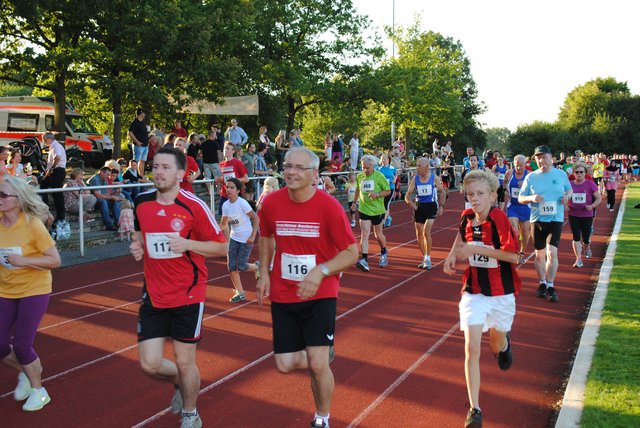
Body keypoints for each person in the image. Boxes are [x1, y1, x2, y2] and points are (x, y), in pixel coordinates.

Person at [256, 147, 358, 428]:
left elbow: (351, 252)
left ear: (314, 174)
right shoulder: (271, 203)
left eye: (299, 168)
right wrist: (263, 272)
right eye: (288, 166)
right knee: (285, 364)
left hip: (320, 292)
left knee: (317, 364)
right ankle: (322, 352)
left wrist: (320, 271)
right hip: (284, 291)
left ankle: (322, 418)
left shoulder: (329, 207)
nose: (291, 172)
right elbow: (266, 237)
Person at [129, 147, 227, 428]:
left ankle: (190, 413)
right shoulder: (141, 201)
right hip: (153, 293)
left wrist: (188, 244)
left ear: (181, 173)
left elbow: (222, 248)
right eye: (155, 167)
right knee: (150, 364)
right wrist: (137, 245)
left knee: (185, 362)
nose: (158, 172)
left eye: (166, 167)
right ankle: (178, 382)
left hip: (188, 293)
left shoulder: (193, 206)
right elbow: (139, 232)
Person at [443, 169, 521, 428]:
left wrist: (477, 249)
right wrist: (451, 256)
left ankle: (504, 345)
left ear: (492, 195)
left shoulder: (499, 220)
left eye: (479, 193)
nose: (474, 199)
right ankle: (474, 409)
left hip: (501, 293)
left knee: (495, 344)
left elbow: (514, 257)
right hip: (473, 291)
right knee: (471, 348)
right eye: (470, 194)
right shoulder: (466, 217)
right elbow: (460, 235)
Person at [0, 174, 61, 412]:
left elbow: (55, 260)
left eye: (3, 195)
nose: (0, 198)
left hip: (34, 289)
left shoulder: (32, 225)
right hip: (6, 289)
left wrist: (23, 260)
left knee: (23, 345)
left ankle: (39, 391)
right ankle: (26, 371)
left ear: (18, 199)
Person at [518, 145, 572, 303]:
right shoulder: (531, 177)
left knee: (552, 253)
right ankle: (542, 282)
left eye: (544, 157)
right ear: (535, 160)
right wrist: (531, 198)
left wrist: (567, 197)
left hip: (555, 219)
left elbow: (569, 190)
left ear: (551, 158)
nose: (542, 160)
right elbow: (521, 198)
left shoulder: (561, 174)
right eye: (538, 158)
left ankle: (550, 285)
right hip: (537, 220)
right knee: (539, 255)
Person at [220, 178, 259, 303]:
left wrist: (253, 236)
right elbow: (224, 224)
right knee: (231, 266)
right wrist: (211, 230)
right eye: (227, 187)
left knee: (241, 266)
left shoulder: (242, 203)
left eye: (232, 187)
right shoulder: (225, 205)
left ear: (238, 190)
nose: (229, 189)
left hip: (246, 237)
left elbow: (256, 218)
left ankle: (258, 266)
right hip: (234, 237)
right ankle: (240, 293)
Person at [404, 157, 446, 270]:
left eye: (419, 165)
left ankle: (428, 258)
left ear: (426, 167)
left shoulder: (434, 178)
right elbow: (407, 195)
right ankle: (424, 257)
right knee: (419, 234)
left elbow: (442, 192)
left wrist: (441, 206)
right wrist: (410, 203)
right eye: (416, 165)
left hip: (431, 206)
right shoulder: (415, 179)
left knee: (426, 232)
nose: (416, 167)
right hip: (419, 207)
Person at [351, 154, 391, 272]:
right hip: (364, 209)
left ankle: (383, 251)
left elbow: (388, 191)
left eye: (367, 168)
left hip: (377, 210)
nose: (365, 170)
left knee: (378, 235)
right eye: (363, 167)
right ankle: (364, 260)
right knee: (364, 234)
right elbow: (358, 189)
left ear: (373, 166)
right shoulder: (360, 176)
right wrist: (354, 202)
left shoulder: (379, 176)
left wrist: (377, 195)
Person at [568, 162, 601, 267]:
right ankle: (578, 259)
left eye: (581, 172)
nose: (579, 174)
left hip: (586, 215)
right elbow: (564, 197)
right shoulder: (570, 185)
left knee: (585, 237)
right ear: (573, 173)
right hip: (573, 214)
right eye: (577, 172)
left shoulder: (590, 183)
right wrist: (566, 204)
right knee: (576, 237)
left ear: (585, 173)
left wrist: (592, 206)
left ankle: (587, 246)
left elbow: (598, 198)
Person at [503, 155, 531, 263]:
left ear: (525, 164)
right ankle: (514, 252)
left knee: (525, 232)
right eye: (516, 165)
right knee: (514, 230)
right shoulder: (509, 173)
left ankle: (522, 253)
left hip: (525, 207)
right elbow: (504, 183)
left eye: (521, 166)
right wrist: (506, 191)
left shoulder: (529, 175)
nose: (518, 168)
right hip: (513, 206)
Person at [40, 132, 67, 224]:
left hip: (57, 171)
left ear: (49, 139)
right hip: (54, 171)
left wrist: (52, 167)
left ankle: (61, 216)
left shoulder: (56, 146)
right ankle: (46, 208)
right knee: (43, 185)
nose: (44, 142)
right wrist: (46, 173)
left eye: (44, 140)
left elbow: (57, 158)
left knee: (57, 194)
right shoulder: (52, 146)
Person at [216, 142, 249, 215]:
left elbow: (246, 179)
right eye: (224, 148)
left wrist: (234, 180)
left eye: (228, 148)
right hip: (224, 195)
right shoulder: (221, 164)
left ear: (233, 151)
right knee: (223, 218)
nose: (225, 150)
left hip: (236, 195)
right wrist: (219, 180)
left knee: (236, 218)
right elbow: (219, 180)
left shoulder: (237, 162)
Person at [88, 166, 122, 231]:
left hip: (99, 199)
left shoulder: (104, 179)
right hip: (92, 202)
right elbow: (98, 196)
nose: (108, 176)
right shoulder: (95, 179)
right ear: (101, 172)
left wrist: (113, 193)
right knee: (103, 202)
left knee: (114, 202)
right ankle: (109, 225)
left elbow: (104, 194)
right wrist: (112, 197)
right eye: (107, 174)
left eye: (109, 175)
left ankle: (118, 223)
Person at [377, 153, 398, 227]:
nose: (384, 160)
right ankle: (388, 217)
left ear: (388, 160)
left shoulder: (392, 168)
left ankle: (383, 221)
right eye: (382, 158)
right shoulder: (378, 169)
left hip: (390, 188)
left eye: (385, 158)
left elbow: (396, 174)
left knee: (386, 204)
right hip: (381, 189)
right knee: (382, 204)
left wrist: (395, 179)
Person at [128, 109, 150, 176]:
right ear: (140, 114)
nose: (145, 114)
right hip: (139, 146)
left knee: (142, 161)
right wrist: (137, 141)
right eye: (143, 113)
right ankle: (133, 175)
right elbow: (130, 132)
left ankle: (141, 176)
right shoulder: (135, 122)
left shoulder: (142, 123)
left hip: (145, 145)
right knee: (136, 162)